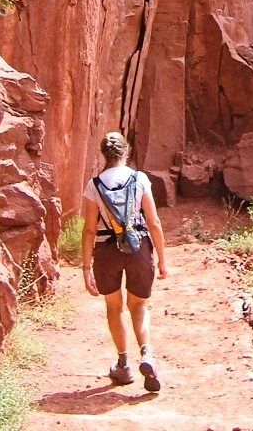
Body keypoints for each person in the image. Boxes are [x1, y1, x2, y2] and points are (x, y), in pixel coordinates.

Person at [81, 131, 168, 392]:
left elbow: (89, 229)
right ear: (126, 152)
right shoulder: (139, 179)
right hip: (138, 247)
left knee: (114, 307)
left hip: (106, 251)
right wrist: (162, 259)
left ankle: (123, 364)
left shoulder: (94, 185)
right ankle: (147, 354)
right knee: (138, 305)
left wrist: (85, 268)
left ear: (103, 155)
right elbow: (153, 221)